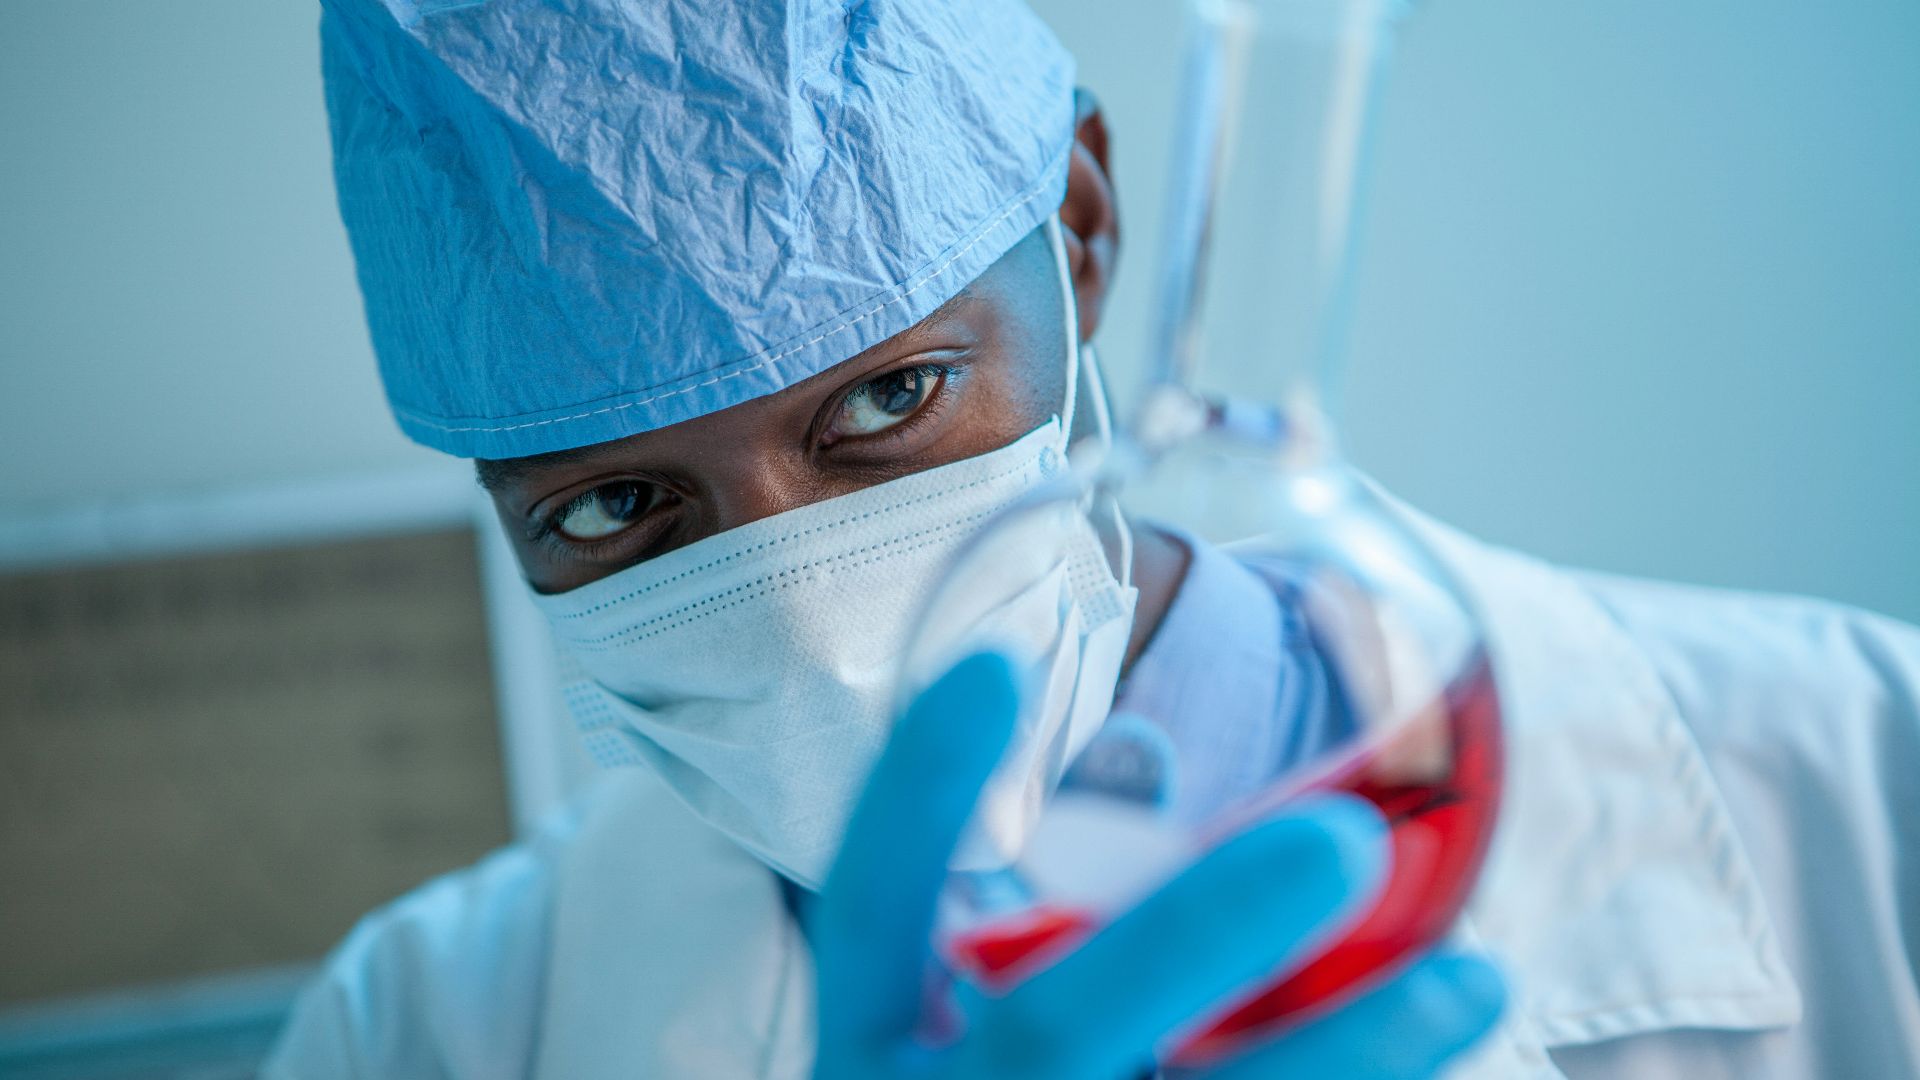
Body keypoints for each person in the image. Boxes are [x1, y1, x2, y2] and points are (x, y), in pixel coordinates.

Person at [268, 1, 1920, 1077]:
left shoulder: (1869, 779)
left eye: (889, 397)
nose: (807, 633)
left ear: (1082, 232)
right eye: (614, 506)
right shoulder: (422, 1031)